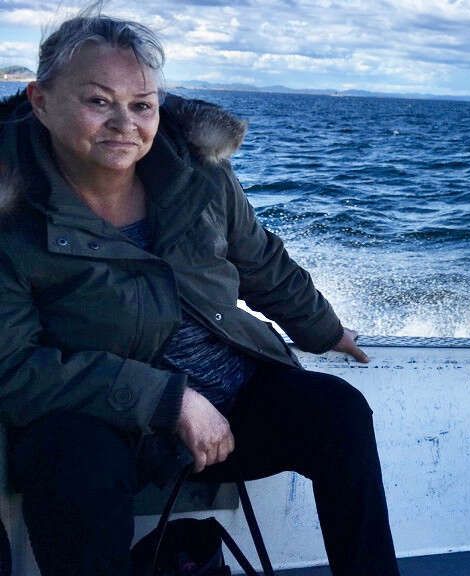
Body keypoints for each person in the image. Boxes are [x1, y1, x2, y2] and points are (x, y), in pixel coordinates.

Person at [0, 7, 400, 576]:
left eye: (142, 105)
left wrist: (324, 329)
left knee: (340, 413)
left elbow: (258, 259)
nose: (124, 123)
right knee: (70, 462)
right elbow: (14, 368)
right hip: (108, 422)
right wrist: (169, 400)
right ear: (40, 101)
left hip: (229, 404)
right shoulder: (10, 214)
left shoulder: (197, 172)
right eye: (98, 101)